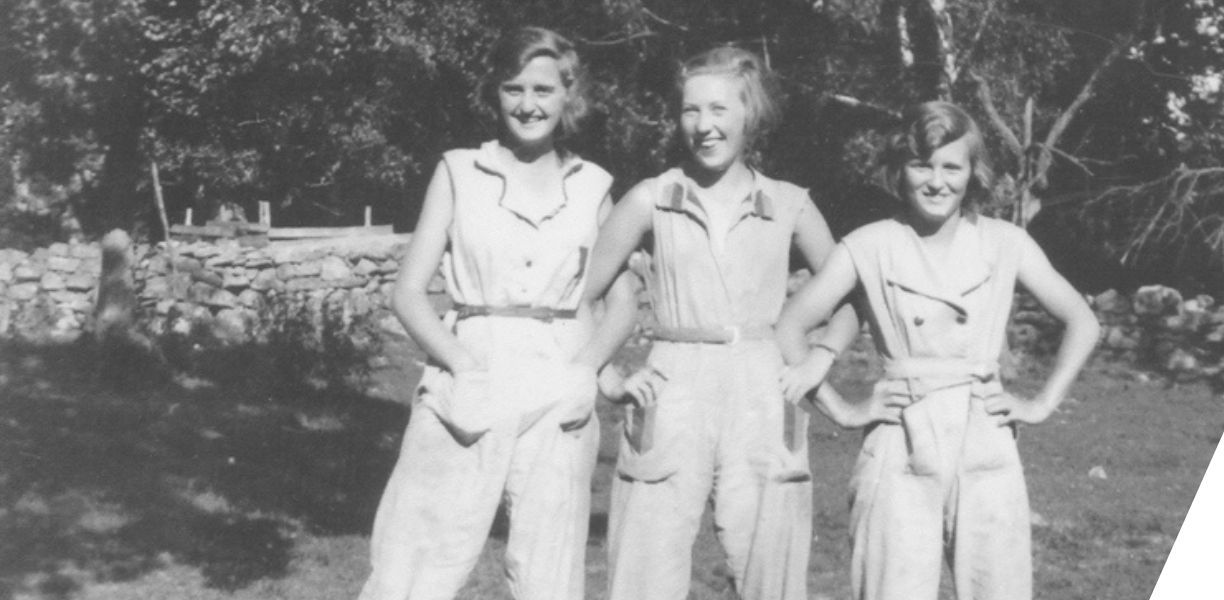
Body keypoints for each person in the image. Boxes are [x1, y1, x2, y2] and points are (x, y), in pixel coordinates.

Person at [775, 101, 1100, 600]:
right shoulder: (871, 244)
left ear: (973, 173)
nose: (936, 181)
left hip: (985, 437)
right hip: (900, 440)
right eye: (921, 164)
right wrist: (842, 410)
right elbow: (790, 327)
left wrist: (1039, 404)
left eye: (952, 166)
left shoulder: (1004, 242)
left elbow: (1082, 320)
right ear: (899, 171)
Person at [357, 26, 627, 600]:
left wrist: (585, 371)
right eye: (513, 88)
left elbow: (621, 304)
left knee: (548, 573)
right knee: (413, 563)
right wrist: (462, 365)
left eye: (544, 90)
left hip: (558, 376)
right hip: (469, 371)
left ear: (568, 95)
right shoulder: (459, 171)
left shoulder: (594, 185)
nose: (528, 105)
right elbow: (407, 292)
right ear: (494, 93)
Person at [580, 45, 859, 600]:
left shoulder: (789, 204)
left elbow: (849, 303)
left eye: (719, 110)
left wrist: (819, 362)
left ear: (749, 116)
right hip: (671, 387)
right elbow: (578, 296)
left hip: (762, 388)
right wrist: (605, 376)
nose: (703, 126)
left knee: (771, 576)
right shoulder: (650, 199)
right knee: (643, 571)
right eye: (690, 110)